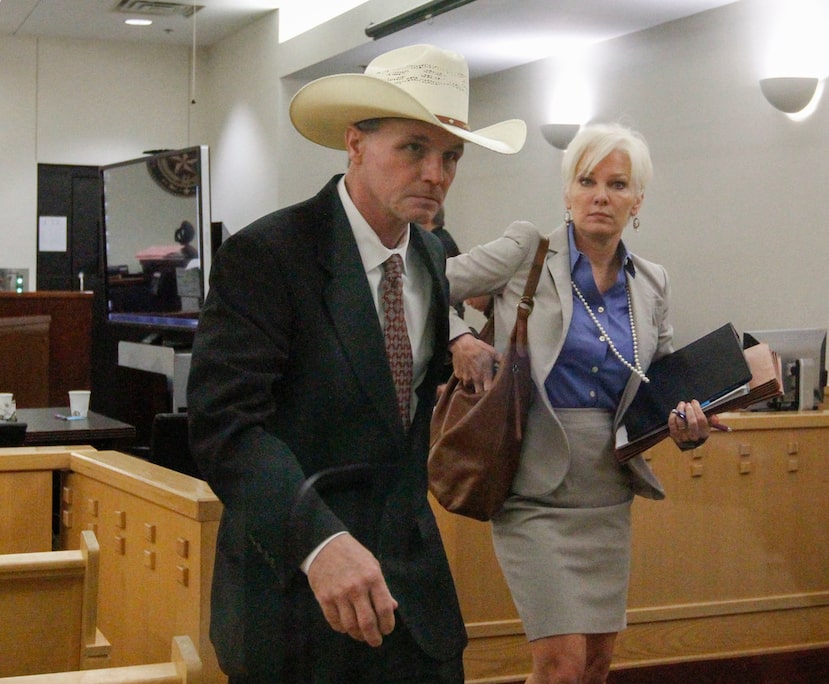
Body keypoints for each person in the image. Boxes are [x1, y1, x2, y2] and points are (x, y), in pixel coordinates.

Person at [186, 44, 526, 683]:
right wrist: (316, 541)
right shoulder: (270, 255)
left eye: (451, 155)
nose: (436, 172)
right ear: (355, 144)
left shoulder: (429, 254)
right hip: (293, 595)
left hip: (413, 596)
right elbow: (225, 428)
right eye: (413, 149)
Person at [445, 122, 720, 684]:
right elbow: (419, 284)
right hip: (530, 486)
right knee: (561, 663)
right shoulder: (527, 251)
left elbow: (660, 379)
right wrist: (459, 338)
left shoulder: (651, 281)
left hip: (607, 491)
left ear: (637, 200)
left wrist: (688, 421)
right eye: (587, 180)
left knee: (596, 662)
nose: (601, 195)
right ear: (567, 191)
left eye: (617, 184)